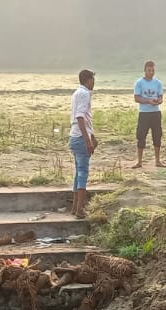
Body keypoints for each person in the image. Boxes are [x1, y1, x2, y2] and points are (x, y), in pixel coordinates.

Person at [69, 69, 97, 219]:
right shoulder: (85, 94)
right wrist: (88, 140)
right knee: (83, 173)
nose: (94, 82)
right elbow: (80, 117)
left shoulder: (76, 93)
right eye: (93, 79)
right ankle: (80, 209)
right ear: (88, 80)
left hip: (74, 136)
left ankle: (75, 207)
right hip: (80, 138)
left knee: (78, 173)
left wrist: (92, 136)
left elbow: (84, 118)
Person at [132, 60, 165, 169]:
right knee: (141, 136)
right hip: (144, 113)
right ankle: (139, 161)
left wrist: (159, 101)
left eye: (153, 70)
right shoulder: (139, 83)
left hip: (155, 113)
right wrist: (148, 101)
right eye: (149, 70)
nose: (151, 72)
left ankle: (158, 160)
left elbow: (160, 97)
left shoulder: (158, 83)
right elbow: (137, 98)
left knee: (157, 136)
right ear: (145, 70)